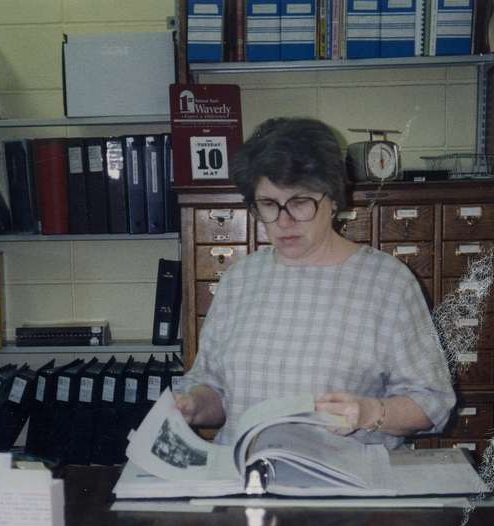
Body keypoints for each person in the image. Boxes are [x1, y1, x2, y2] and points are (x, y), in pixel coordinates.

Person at [173, 117, 455, 446]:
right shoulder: (240, 279)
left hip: (342, 485)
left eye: (300, 202)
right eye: (268, 204)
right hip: (246, 478)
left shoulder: (387, 283)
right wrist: (193, 406)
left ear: (333, 199)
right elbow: (218, 394)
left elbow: (432, 404)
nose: (284, 220)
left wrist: (368, 412)